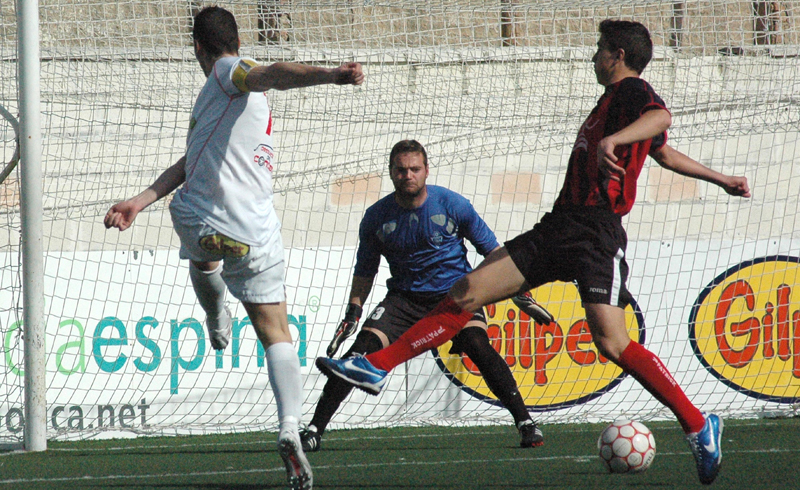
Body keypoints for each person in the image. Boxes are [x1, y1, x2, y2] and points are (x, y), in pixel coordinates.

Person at [316, 20, 751, 486]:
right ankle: (375, 365)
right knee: (466, 292)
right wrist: (721, 179)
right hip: (557, 227)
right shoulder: (611, 102)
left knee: (612, 343)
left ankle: (699, 424)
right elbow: (662, 152)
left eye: (599, 50)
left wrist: (614, 140)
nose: (593, 57)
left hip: (594, 234)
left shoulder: (632, 91)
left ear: (618, 54)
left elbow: (660, 119)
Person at [103, 7, 364, 490]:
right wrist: (140, 199)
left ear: (197, 47)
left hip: (204, 218)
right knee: (276, 332)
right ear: (238, 36)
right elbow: (195, 155)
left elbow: (271, 73)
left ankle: (216, 311)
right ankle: (289, 426)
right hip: (257, 229)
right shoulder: (233, 103)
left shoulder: (227, 72)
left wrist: (330, 75)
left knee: (203, 250)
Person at [300, 140, 554, 452]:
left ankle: (525, 422)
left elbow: (493, 251)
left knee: (476, 344)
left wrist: (520, 295)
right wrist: (353, 312)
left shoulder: (453, 204)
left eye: (414, 169)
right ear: (392, 173)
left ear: (426, 171)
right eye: (401, 169)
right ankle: (314, 429)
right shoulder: (376, 217)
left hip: (457, 298)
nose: (408, 175)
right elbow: (365, 269)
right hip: (403, 301)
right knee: (359, 352)